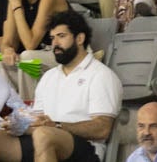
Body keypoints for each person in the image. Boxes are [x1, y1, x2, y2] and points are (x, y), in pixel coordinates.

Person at [24, 12, 120, 162]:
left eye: (61, 36)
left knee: (43, 135)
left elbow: (102, 128)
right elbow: (37, 122)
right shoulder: (48, 77)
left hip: (87, 150)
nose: (55, 44)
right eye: (52, 38)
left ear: (80, 38)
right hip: (45, 142)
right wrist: (17, 125)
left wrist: (57, 126)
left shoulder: (101, 75)